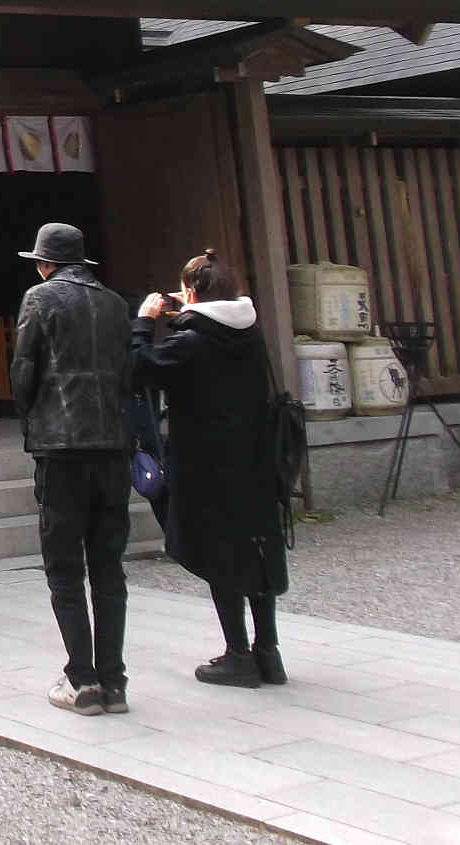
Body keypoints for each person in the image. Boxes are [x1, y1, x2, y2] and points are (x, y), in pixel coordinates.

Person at [132, 248, 289, 687]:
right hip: (256, 461)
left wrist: (145, 321)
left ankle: (237, 653)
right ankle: (268, 652)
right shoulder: (250, 331)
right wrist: (190, 312)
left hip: (207, 464)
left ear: (191, 291)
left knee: (220, 555)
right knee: (255, 549)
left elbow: (141, 368)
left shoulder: (191, 341)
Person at [10, 222, 133, 717]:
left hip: (61, 448)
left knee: (64, 565)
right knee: (108, 565)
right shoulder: (116, 304)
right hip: (111, 446)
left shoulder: (40, 299)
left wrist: (30, 414)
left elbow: (24, 370)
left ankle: (81, 677)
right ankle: (115, 681)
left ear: (45, 263)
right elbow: (128, 371)